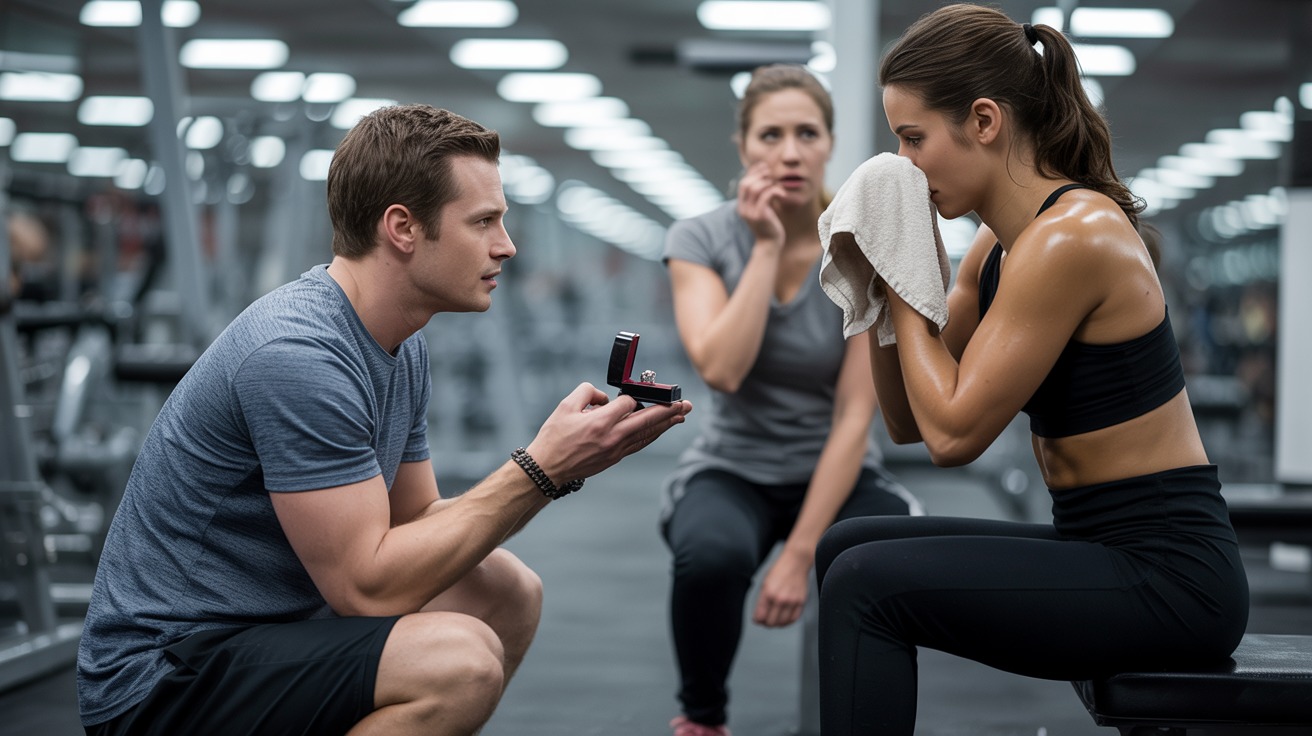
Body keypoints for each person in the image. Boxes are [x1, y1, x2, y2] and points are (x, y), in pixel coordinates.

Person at [76, 103, 692, 736]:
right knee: (457, 665)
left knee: (505, 591)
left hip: (274, 630)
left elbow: (414, 521)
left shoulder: (400, 342)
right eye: (483, 222)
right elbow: (367, 590)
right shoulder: (298, 353)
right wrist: (542, 469)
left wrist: (563, 463)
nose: (506, 246)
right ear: (402, 227)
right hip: (166, 675)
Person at [814, 6, 1249, 735]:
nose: (902, 166)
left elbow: (955, 439)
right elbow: (907, 420)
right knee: (846, 544)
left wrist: (899, 275)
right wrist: (879, 290)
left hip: (1173, 576)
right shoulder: (998, 243)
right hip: (1098, 544)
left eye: (913, 139)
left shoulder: (1072, 236)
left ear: (984, 121)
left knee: (864, 584)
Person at [660, 64, 920, 736]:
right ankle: (702, 718)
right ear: (744, 146)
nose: (790, 151)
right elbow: (721, 368)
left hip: (836, 465)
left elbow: (854, 416)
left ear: (830, 143)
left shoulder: (862, 247)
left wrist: (802, 553)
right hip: (733, 466)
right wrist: (766, 249)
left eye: (807, 133)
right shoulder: (700, 239)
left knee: (881, 560)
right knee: (710, 557)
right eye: (770, 135)